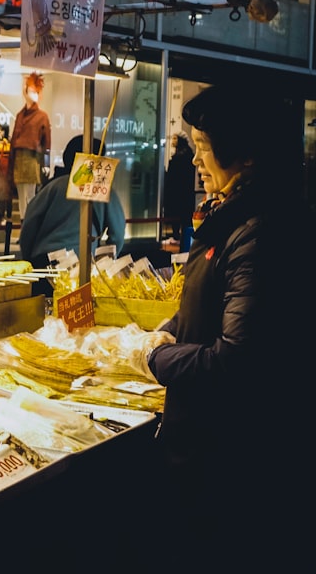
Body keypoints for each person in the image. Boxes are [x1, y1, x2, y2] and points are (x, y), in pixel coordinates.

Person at [141, 82, 315, 570]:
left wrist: (155, 357)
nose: (195, 161)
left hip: (231, 457)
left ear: (247, 156)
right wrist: (170, 328)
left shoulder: (262, 230)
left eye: (202, 147)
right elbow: (211, 303)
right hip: (205, 443)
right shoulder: (230, 216)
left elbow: (237, 357)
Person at [18, 134, 126, 297]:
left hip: (44, 263)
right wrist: (105, 262)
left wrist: (28, 258)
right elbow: (117, 234)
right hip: (80, 267)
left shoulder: (53, 187)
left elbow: (29, 226)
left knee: (42, 316)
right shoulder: (104, 192)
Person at [9, 71, 52, 220]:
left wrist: (46, 164)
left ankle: (30, 225)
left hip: (32, 158)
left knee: (30, 195)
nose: (33, 94)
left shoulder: (42, 116)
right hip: (19, 158)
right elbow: (14, 140)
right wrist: (11, 162)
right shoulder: (20, 115)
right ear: (25, 91)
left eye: (36, 91)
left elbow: (47, 143)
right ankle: (23, 225)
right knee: (21, 195)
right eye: (30, 90)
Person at [162, 130, 196, 241]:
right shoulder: (186, 153)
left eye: (175, 138)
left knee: (178, 214)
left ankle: (178, 236)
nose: (172, 141)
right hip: (184, 191)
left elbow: (175, 176)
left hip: (178, 191)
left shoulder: (180, 156)